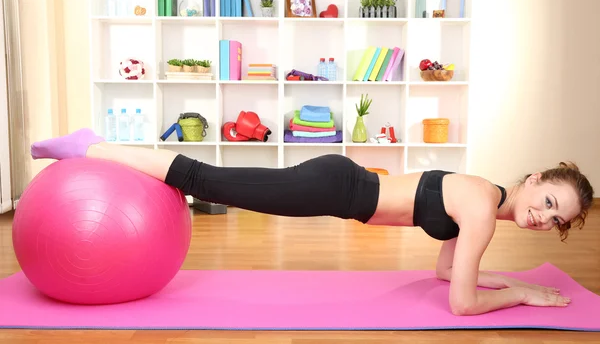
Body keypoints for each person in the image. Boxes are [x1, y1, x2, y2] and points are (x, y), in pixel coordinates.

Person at [30, 128, 594, 316]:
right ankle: (93, 148)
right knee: (204, 179)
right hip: (336, 187)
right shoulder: (480, 209)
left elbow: (451, 274)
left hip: (340, 184)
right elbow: (463, 305)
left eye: (556, 219)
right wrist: (520, 296)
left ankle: (96, 149)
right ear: (536, 179)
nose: (544, 219)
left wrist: (508, 281)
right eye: (549, 201)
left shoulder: (483, 199)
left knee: (209, 180)